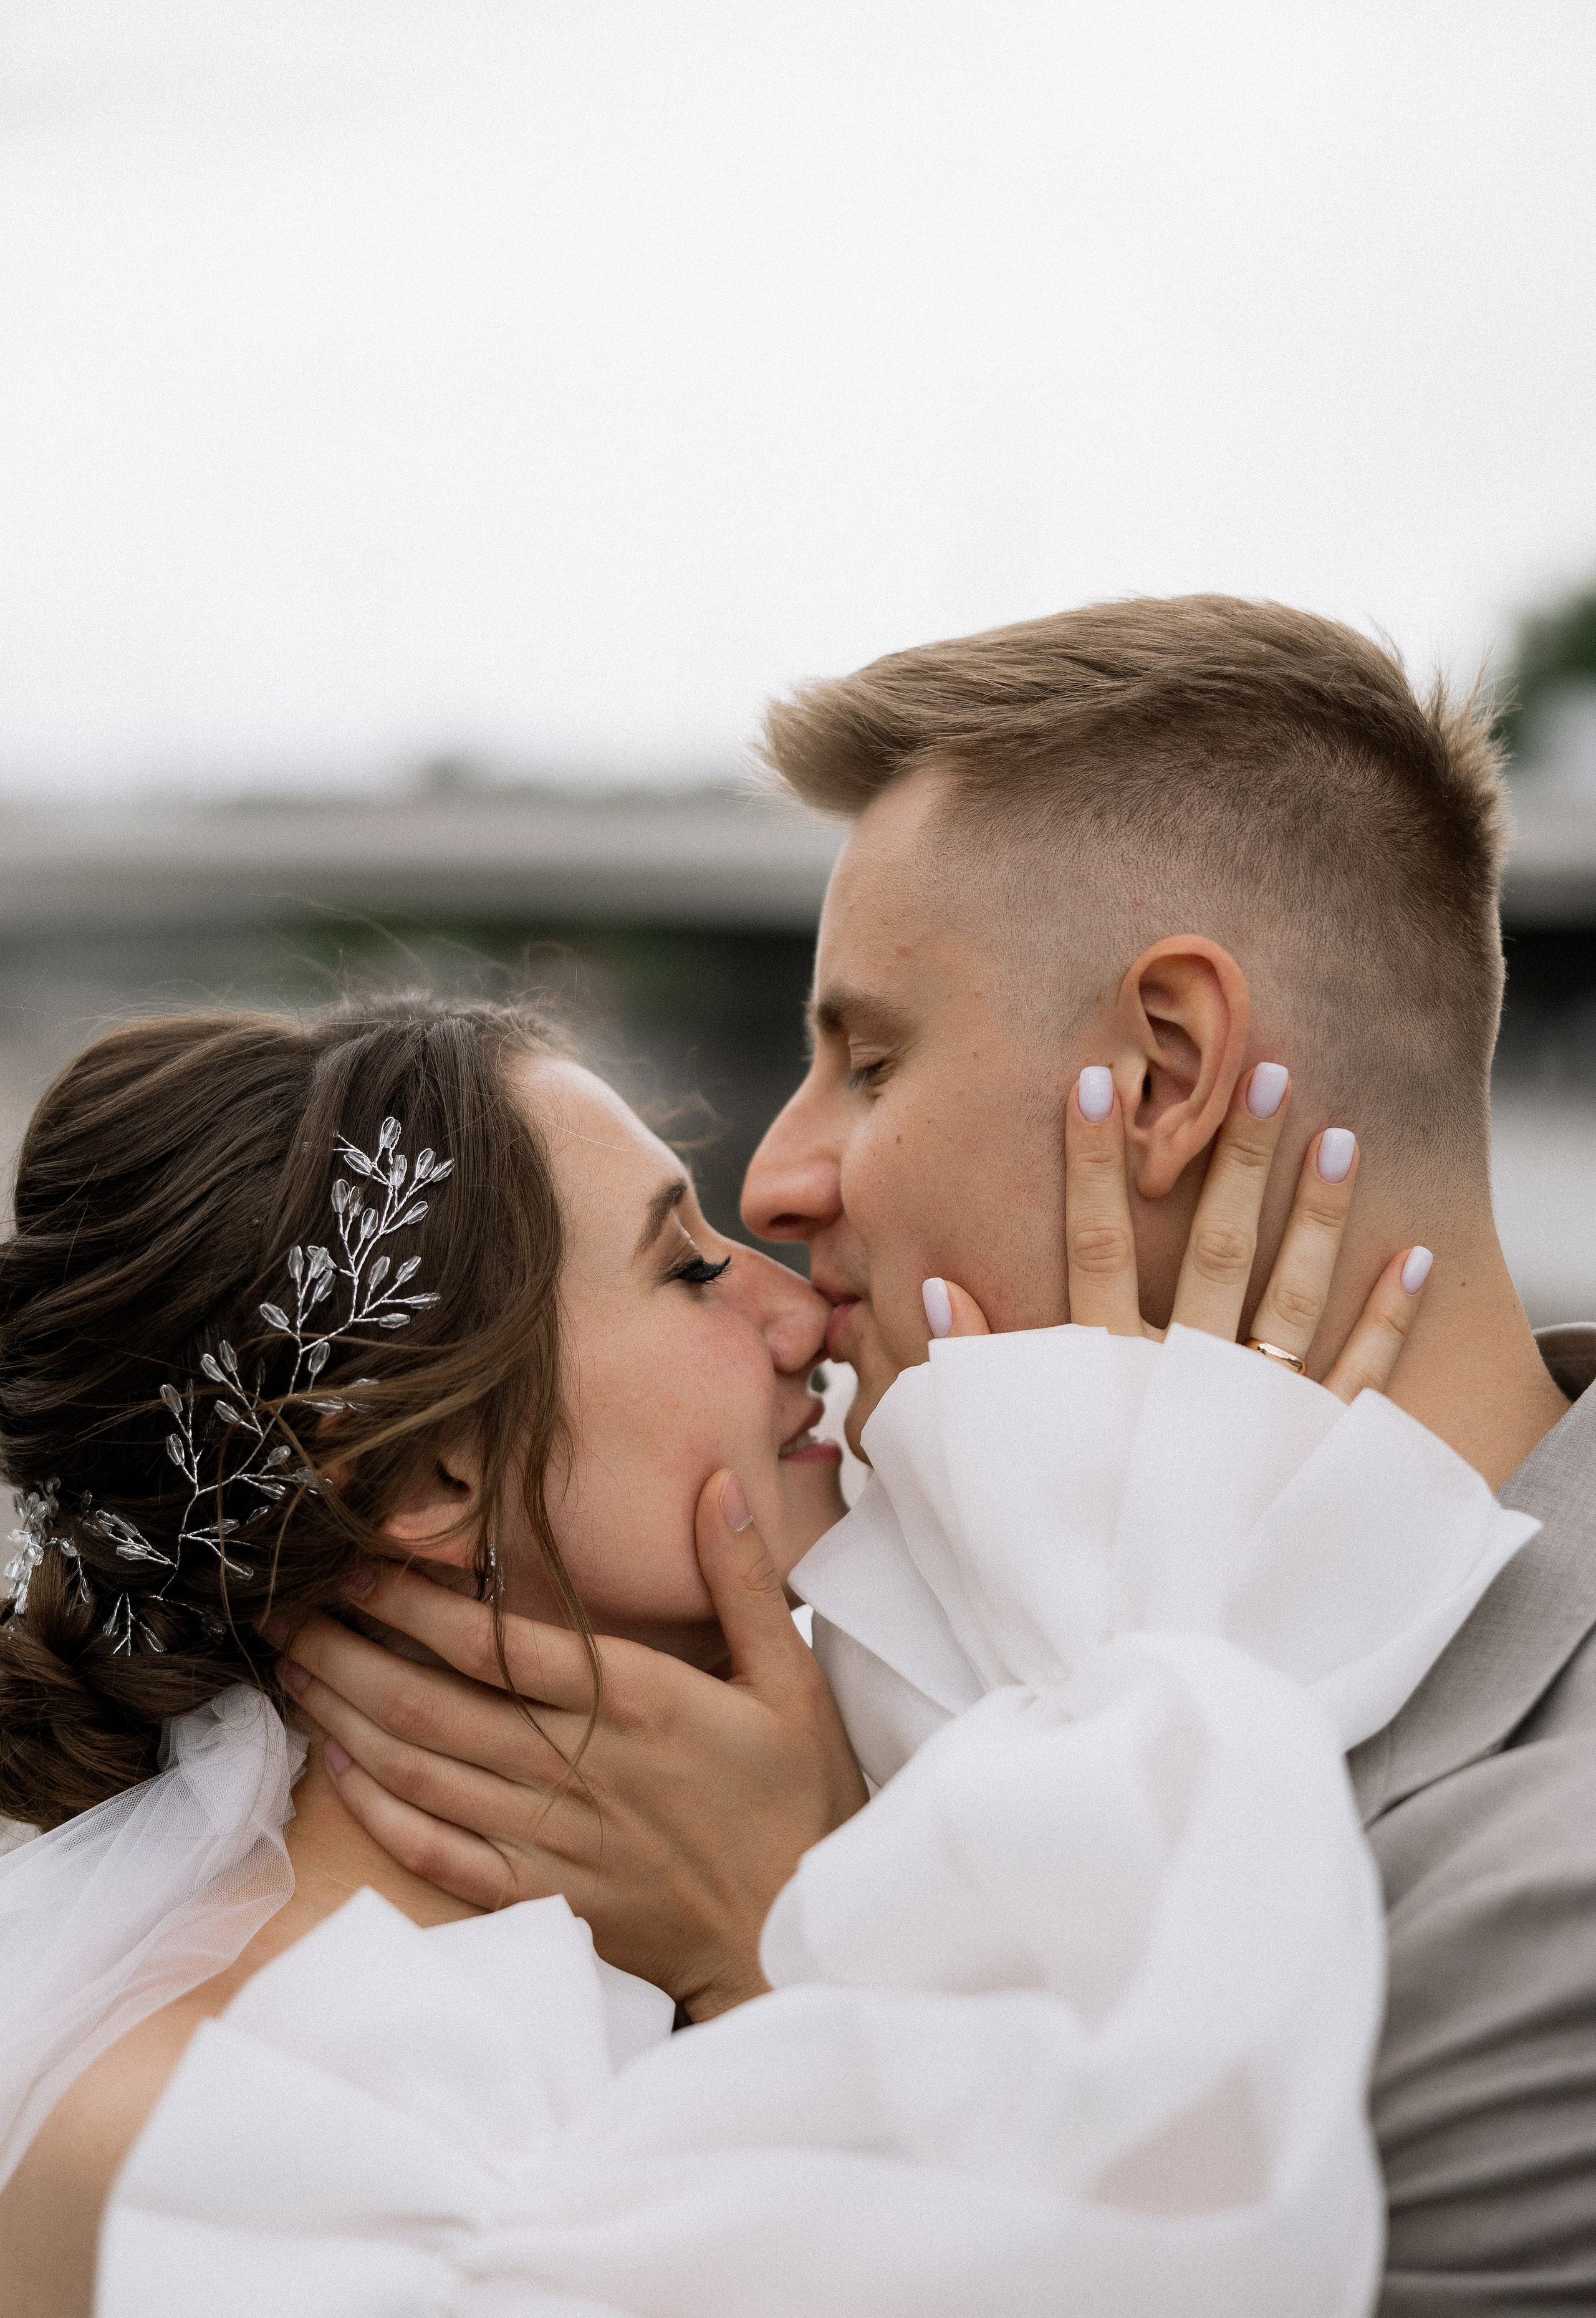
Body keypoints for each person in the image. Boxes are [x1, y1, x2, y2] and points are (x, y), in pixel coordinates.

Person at [292, 597, 1596, 2311]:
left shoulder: (1548, 1885)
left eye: (869, 1057)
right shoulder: (850, 1670)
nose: (775, 1179)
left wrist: (806, 1931)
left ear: (1166, 1070)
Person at [0, 981, 1509, 2317]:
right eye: (687, 1267)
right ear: (425, 1481)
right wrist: (1159, 1582)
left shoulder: (565, 1973)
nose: (798, 1310)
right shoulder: (280, 2144)